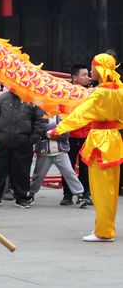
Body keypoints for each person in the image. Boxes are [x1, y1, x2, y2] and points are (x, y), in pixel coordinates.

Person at [51, 53, 123, 242]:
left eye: (92, 67)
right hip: (114, 139)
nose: (91, 71)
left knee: (101, 190)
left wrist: (59, 128)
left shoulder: (100, 93)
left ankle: (104, 231)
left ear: (100, 69)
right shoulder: (120, 89)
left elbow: (81, 114)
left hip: (100, 140)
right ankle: (106, 227)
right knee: (110, 189)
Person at [0, 88, 46, 208]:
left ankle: (21, 198)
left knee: (22, 171)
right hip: (2, 141)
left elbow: (39, 120)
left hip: (23, 142)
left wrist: (32, 139)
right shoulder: (3, 98)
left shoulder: (32, 100)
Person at [27, 115, 85, 206]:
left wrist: (49, 132)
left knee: (70, 173)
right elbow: (38, 129)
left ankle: (80, 195)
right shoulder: (40, 115)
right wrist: (55, 129)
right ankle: (31, 194)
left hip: (61, 151)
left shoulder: (63, 116)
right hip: (44, 151)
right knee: (38, 175)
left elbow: (66, 132)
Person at [62, 64, 93, 207]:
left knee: (85, 166)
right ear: (74, 78)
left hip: (87, 134)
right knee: (68, 167)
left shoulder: (92, 93)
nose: (88, 77)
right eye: (84, 75)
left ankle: (85, 194)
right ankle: (67, 195)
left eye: (88, 74)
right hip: (71, 134)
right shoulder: (66, 94)